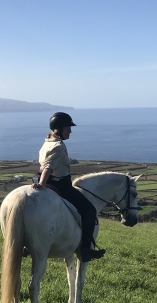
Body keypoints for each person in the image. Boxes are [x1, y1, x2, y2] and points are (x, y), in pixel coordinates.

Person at [31, 112, 105, 262]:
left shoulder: (47, 142)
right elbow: (48, 167)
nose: (70, 131)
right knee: (89, 211)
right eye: (67, 128)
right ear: (58, 129)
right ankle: (85, 250)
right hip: (61, 185)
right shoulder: (58, 146)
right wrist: (41, 184)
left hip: (47, 181)